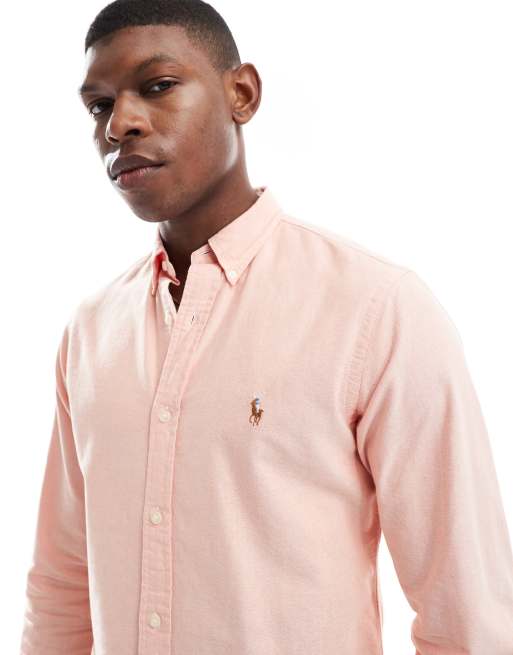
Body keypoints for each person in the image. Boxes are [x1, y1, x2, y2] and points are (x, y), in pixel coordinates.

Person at [19, 1, 513, 654]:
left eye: (157, 85)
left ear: (242, 94)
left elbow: (466, 614)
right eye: (99, 106)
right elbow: (62, 587)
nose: (119, 124)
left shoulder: (374, 309)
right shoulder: (90, 334)